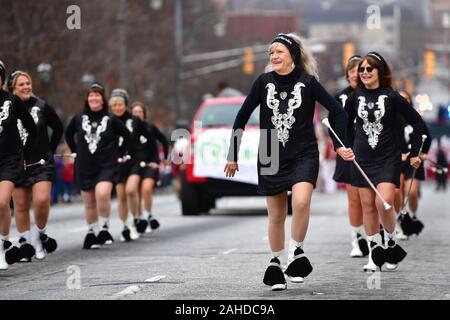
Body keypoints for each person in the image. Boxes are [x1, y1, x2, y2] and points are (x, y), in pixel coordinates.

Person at [224, 33, 354, 291]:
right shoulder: (262, 82)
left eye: (280, 51)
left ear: (293, 55)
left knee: (301, 201)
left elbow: (338, 111)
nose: (274, 56)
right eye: (271, 52)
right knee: (276, 215)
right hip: (271, 151)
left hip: (303, 151)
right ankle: (276, 263)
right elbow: (241, 117)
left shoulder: (309, 82)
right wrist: (233, 154)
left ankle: (296, 252)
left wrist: (339, 145)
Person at [345, 52, 426, 272]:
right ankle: (374, 254)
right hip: (362, 159)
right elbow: (341, 123)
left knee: (384, 202)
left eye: (369, 69)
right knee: (368, 207)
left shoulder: (392, 97)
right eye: (361, 69)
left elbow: (418, 124)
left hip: (388, 158)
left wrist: (415, 153)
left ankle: (390, 241)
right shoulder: (355, 98)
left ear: (379, 72)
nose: (364, 73)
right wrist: (342, 146)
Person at [65, 83, 135, 249]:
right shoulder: (78, 117)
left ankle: (104, 227)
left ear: (103, 99)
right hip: (85, 165)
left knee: (102, 194)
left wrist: (122, 153)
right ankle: (92, 232)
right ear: (87, 99)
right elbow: (68, 134)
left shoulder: (111, 119)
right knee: (89, 202)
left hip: (107, 165)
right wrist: (76, 151)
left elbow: (128, 136)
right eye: (91, 95)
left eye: (97, 95)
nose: (94, 98)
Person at [9, 71, 63, 262]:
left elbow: (58, 127)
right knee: (21, 205)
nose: (25, 87)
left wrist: (51, 149)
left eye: (27, 83)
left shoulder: (41, 106)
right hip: (16, 162)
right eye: (21, 84)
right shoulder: (9, 107)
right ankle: (26, 244)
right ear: (12, 88)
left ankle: (40, 235)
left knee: (41, 200)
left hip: (41, 162)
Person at [329, 55, 369, 257]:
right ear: (347, 75)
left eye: (359, 69)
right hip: (349, 153)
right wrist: (339, 147)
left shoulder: (374, 96)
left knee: (370, 200)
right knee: (354, 199)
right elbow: (332, 126)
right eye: (352, 70)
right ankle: (357, 239)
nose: (356, 74)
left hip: (372, 153)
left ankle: (376, 237)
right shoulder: (340, 98)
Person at [0, 60, 36, 269]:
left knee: (3, 202)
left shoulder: (13, 101)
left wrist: (25, 153)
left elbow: (31, 128)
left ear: (3, 79)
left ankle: (2, 246)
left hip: (9, 160)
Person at [109, 89, 153, 241]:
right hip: (117, 163)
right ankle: (126, 226)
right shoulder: (108, 120)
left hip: (134, 161)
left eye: (120, 104)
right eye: (114, 105)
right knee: (121, 196)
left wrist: (151, 159)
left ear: (126, 105)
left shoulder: (134, 120)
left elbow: (150, 139)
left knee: (131, 190)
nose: (117, 107)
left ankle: (134, 220)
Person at [396, 90, 431, 238]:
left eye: (406, 100)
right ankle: (401, 220)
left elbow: (427, 138)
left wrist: (422, 153)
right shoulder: (391, 118)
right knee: (398, 192)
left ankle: (413, 214)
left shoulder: (416, 119)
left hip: (413, 160)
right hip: (396, 160)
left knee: (412, 191)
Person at [131, 101, 169, 232]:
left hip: (151, 164)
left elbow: (164, 140)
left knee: (146, 189)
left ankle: (148, 214)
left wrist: (163, 158)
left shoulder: (150, 128)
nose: (137, 114)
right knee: (136, 191)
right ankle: (139, 218)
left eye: (139, 112)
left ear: (144, 114)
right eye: (134, 112)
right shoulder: (128, 129)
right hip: (135, 165)